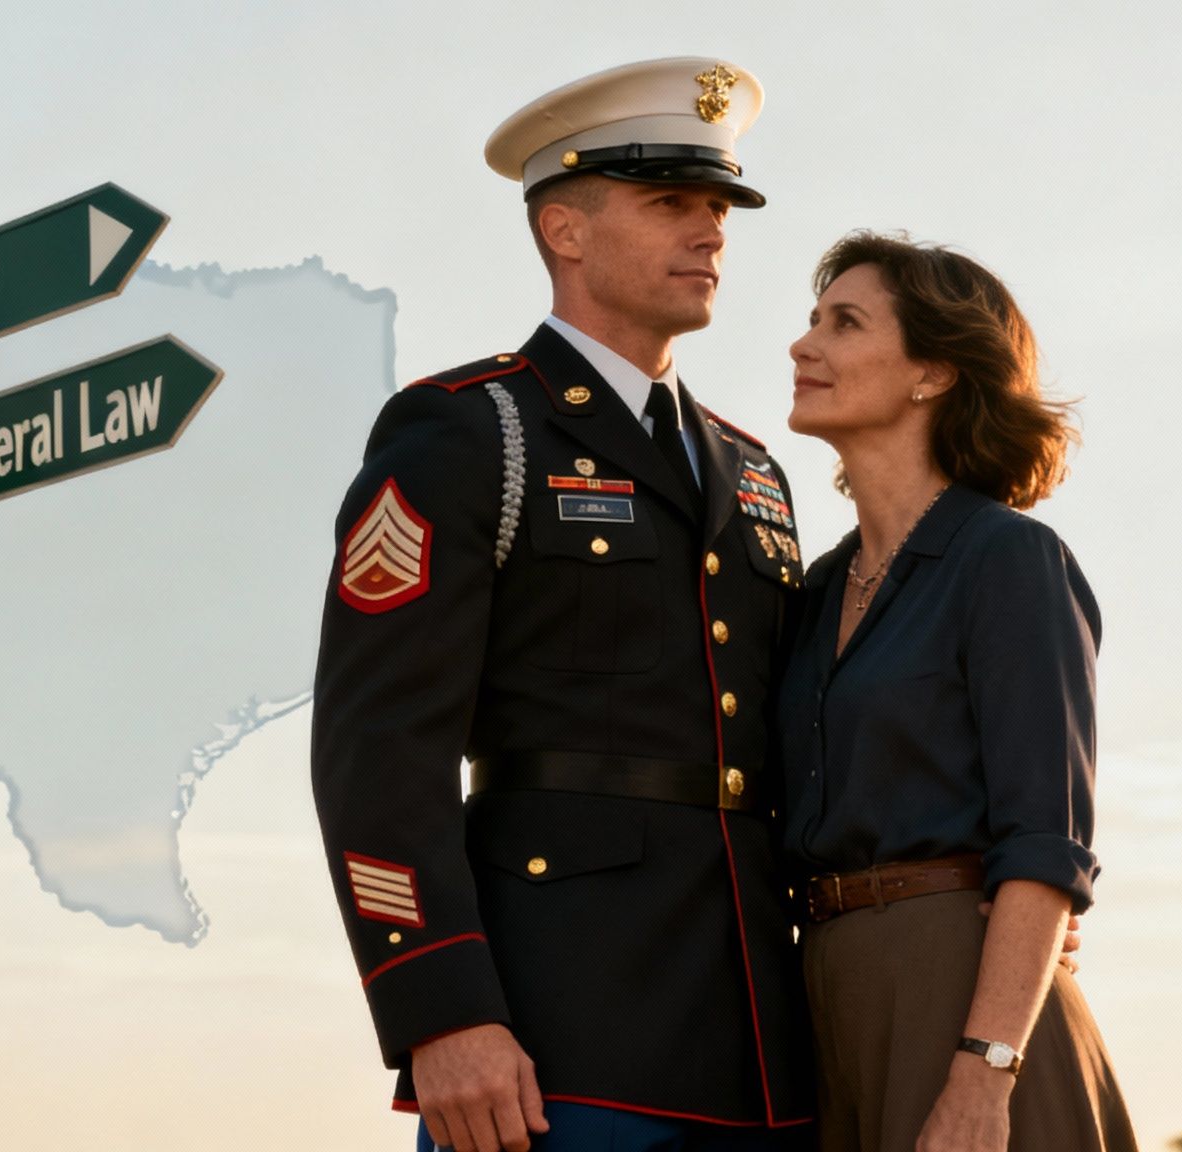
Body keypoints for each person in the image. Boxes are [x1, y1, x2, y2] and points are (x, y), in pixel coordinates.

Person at [311, 59, 814, 1152]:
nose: (711, 232)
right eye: (669, 202)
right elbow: (375, 748)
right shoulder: (469, 429)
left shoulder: (754, 469)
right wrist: (439, 1011)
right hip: (552, 1043)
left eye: (718, 207)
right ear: (564, 231)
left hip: (763, 1050)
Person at [779, 231, 1136, 1151]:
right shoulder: (813, 593)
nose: (802, 344)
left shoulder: (1008, 560)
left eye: (843, 323)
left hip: (963, 1005)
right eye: (813, 319)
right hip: (824, 1005)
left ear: (932, 374)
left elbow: (1046, 842)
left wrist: (986, 1069)